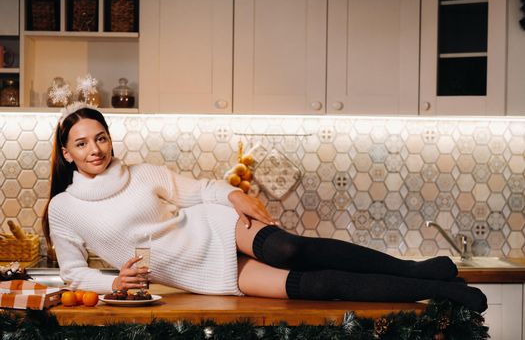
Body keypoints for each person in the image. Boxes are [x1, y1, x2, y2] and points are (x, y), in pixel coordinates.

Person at [42, 105, 487, 313]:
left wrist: (234, 196)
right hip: (205, 272)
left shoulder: (142, 173)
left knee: (290, 249)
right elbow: (73, 273)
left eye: (100, 137)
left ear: (110, 139)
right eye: (82, 143)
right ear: (67, 153)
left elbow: (200, 189)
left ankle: (417, 272)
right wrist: (112, 281)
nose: (95, 149)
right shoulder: (64, 209)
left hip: (216, 228)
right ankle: (442, 292)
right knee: (314, 285)